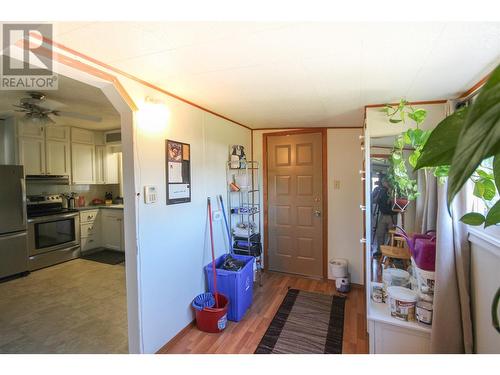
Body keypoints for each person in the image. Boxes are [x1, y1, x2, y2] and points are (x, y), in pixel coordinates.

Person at [374, 176, 396, 257]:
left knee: (392, 235)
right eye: (383, 182)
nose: (384, 183)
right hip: (382, 215)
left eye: (385, 181)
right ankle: (380, 251)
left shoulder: (394, 191)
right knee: (380, 233)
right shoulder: (381, 191)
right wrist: (377, 192)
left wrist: (391, 195)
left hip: (391, 216)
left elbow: (394, 203)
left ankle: (391, 253)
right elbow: (375, 200)